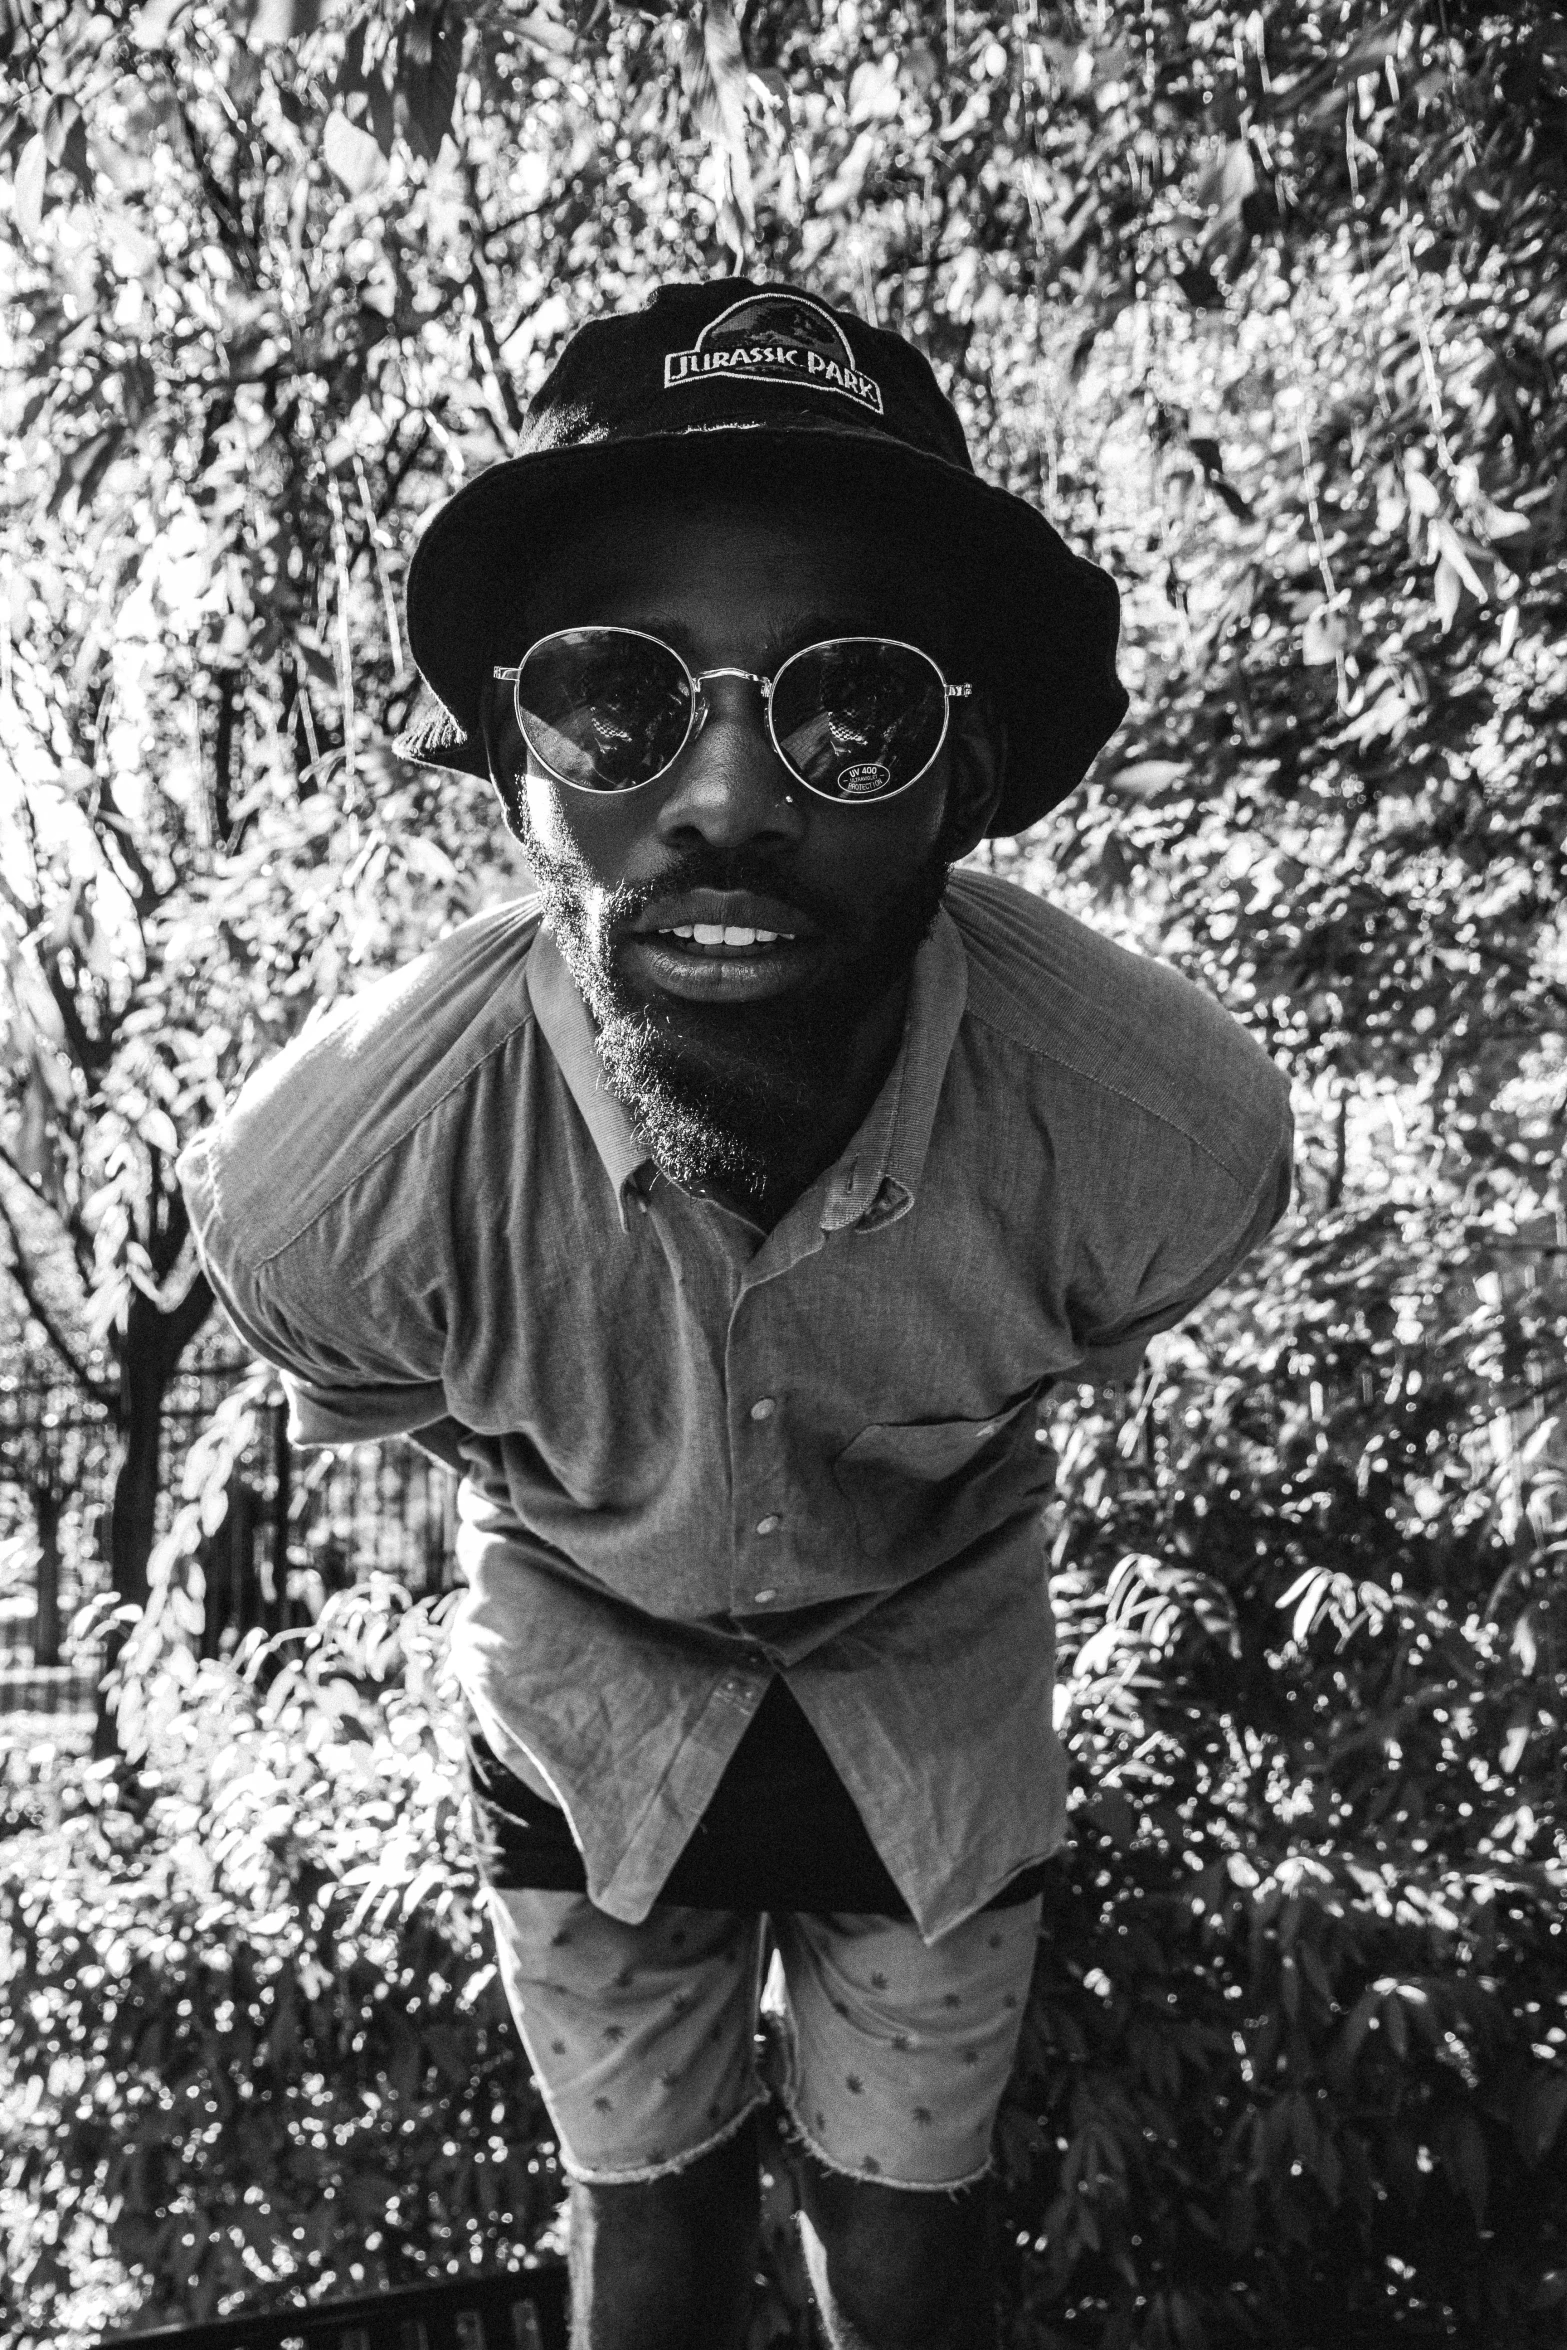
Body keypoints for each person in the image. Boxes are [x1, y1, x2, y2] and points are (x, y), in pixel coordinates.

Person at [179, 280, 1293, 2350]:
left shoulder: (1149, 1127)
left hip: (934, 1705)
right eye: (620, 694)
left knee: (909, 2254)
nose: (719, 793)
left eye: (845, 703)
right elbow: (366, 1360)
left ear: (963, 771)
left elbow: (1116, 1299)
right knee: (649, 2237)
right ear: (519, 756)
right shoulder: (338, 1180)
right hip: (595, 1720)